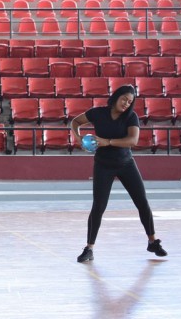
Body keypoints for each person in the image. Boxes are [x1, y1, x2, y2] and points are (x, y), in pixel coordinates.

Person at [70, 84, 168, 263]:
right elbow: (75, 122)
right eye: (124, 99)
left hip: (126, 164)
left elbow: (133, 140)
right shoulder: (97, 113)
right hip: (103, 165)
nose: (126, 104)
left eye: (130, 102)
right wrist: (78, 139)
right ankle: (89, 248)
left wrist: (107, 142)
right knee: (98, 206)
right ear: (116, 97)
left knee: (142, 202)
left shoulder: (131, 117)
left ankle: (152, 242)